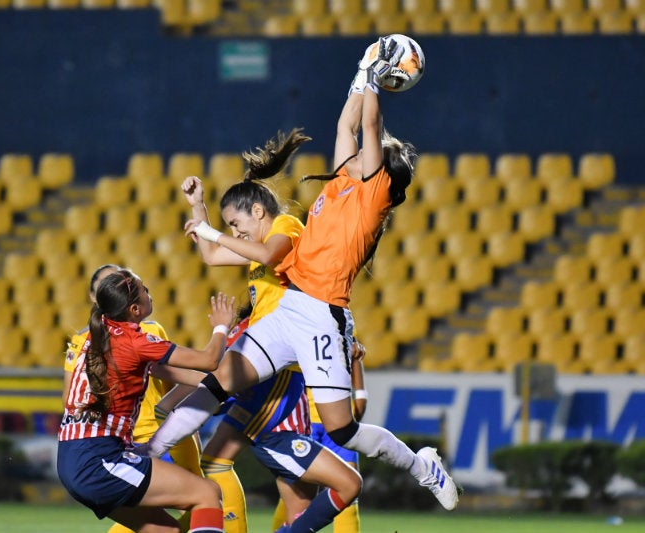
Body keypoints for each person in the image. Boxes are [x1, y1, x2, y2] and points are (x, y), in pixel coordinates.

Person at [140, 36, 460, 515]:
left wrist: (375, 75)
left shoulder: (373, 193)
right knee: (221, 379)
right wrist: (361, 69)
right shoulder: (344, 183)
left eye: (362, 153)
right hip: (292, 309)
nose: (348, 153)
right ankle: (148, 453)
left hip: (323, 317)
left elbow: (368, 122)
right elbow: (347, 121)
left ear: (379, 169)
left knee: (342, 430)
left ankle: (419, 465)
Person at [174, 129, 362, 533]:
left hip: (280, 367)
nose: (235, 232)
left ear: (258, 211)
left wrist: (211, 230)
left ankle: (150, 448)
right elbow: (210, 255)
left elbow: (265, 253)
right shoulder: (253, 251)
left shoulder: (288, 227)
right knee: (289, 487)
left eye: (236, 223)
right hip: (267, 362)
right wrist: (198, 207)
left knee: (228, 460)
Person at [58, 268, 236, 533]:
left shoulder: (96, 334)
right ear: (134, 309)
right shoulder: (135, 340)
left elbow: (158, 369)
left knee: (165, 531)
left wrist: (213, 385)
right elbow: (209, 359)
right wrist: (222, 326)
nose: (149, 294)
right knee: (207, 493)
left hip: (72, 458)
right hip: (98, 460)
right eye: (145, 291)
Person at [271, 338, 368, 533]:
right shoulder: (298, 326)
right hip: (307, 423)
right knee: (297, 501)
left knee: (348, 492)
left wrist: (357, 369)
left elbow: (354, 362)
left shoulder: (344, 323)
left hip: (339, 422)